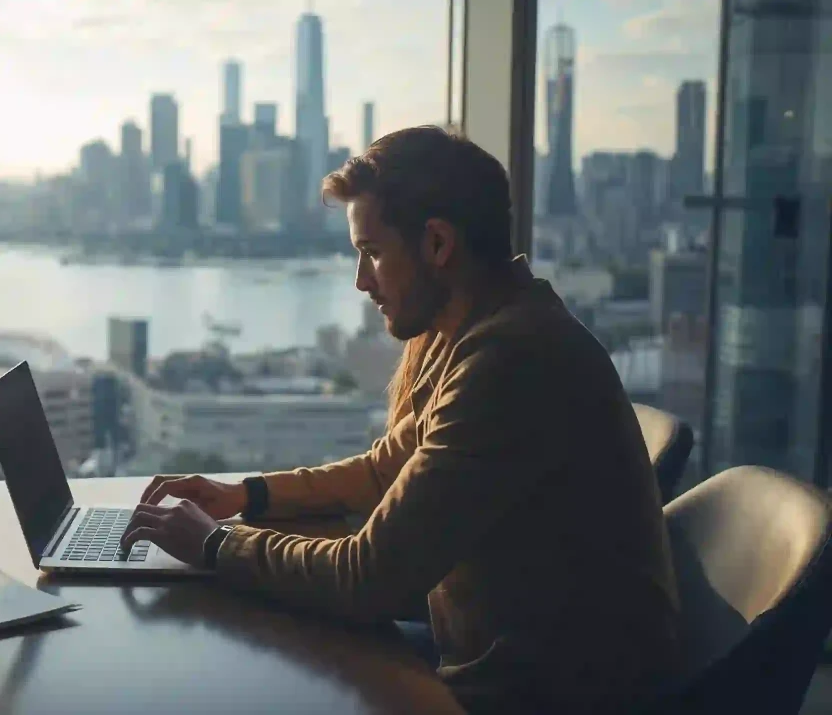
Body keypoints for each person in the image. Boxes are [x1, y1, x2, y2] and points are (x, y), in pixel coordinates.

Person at [121, 126, 681, 714]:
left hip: (541, 698)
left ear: (438, 244)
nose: (362, 281)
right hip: (490, 661)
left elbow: (367, 578)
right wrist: (242, 496)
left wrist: (215, 545)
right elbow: (384, 471)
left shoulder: (511, 359)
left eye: (373, 253)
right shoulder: (474, 331)